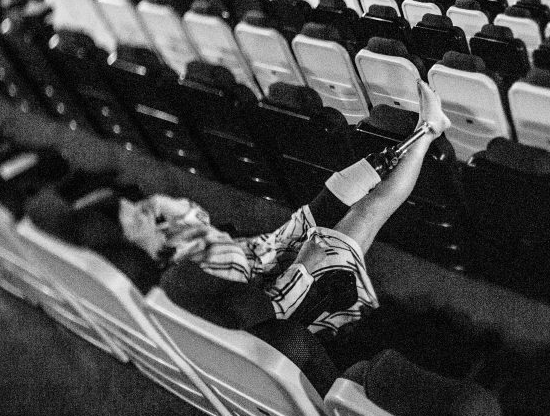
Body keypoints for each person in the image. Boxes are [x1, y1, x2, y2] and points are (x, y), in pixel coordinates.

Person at [118, 78, 452, 336]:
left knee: (338, 189)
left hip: (268, 253)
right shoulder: (187, 275)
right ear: (142, 244)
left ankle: (417, 136)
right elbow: (270, 307)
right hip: (293, 288)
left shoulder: (179, 246)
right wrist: (305, 265)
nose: (144, 212)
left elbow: (198, 218)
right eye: (139, 220)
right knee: (368, 210)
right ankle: (428, 129)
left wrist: (160, 206)